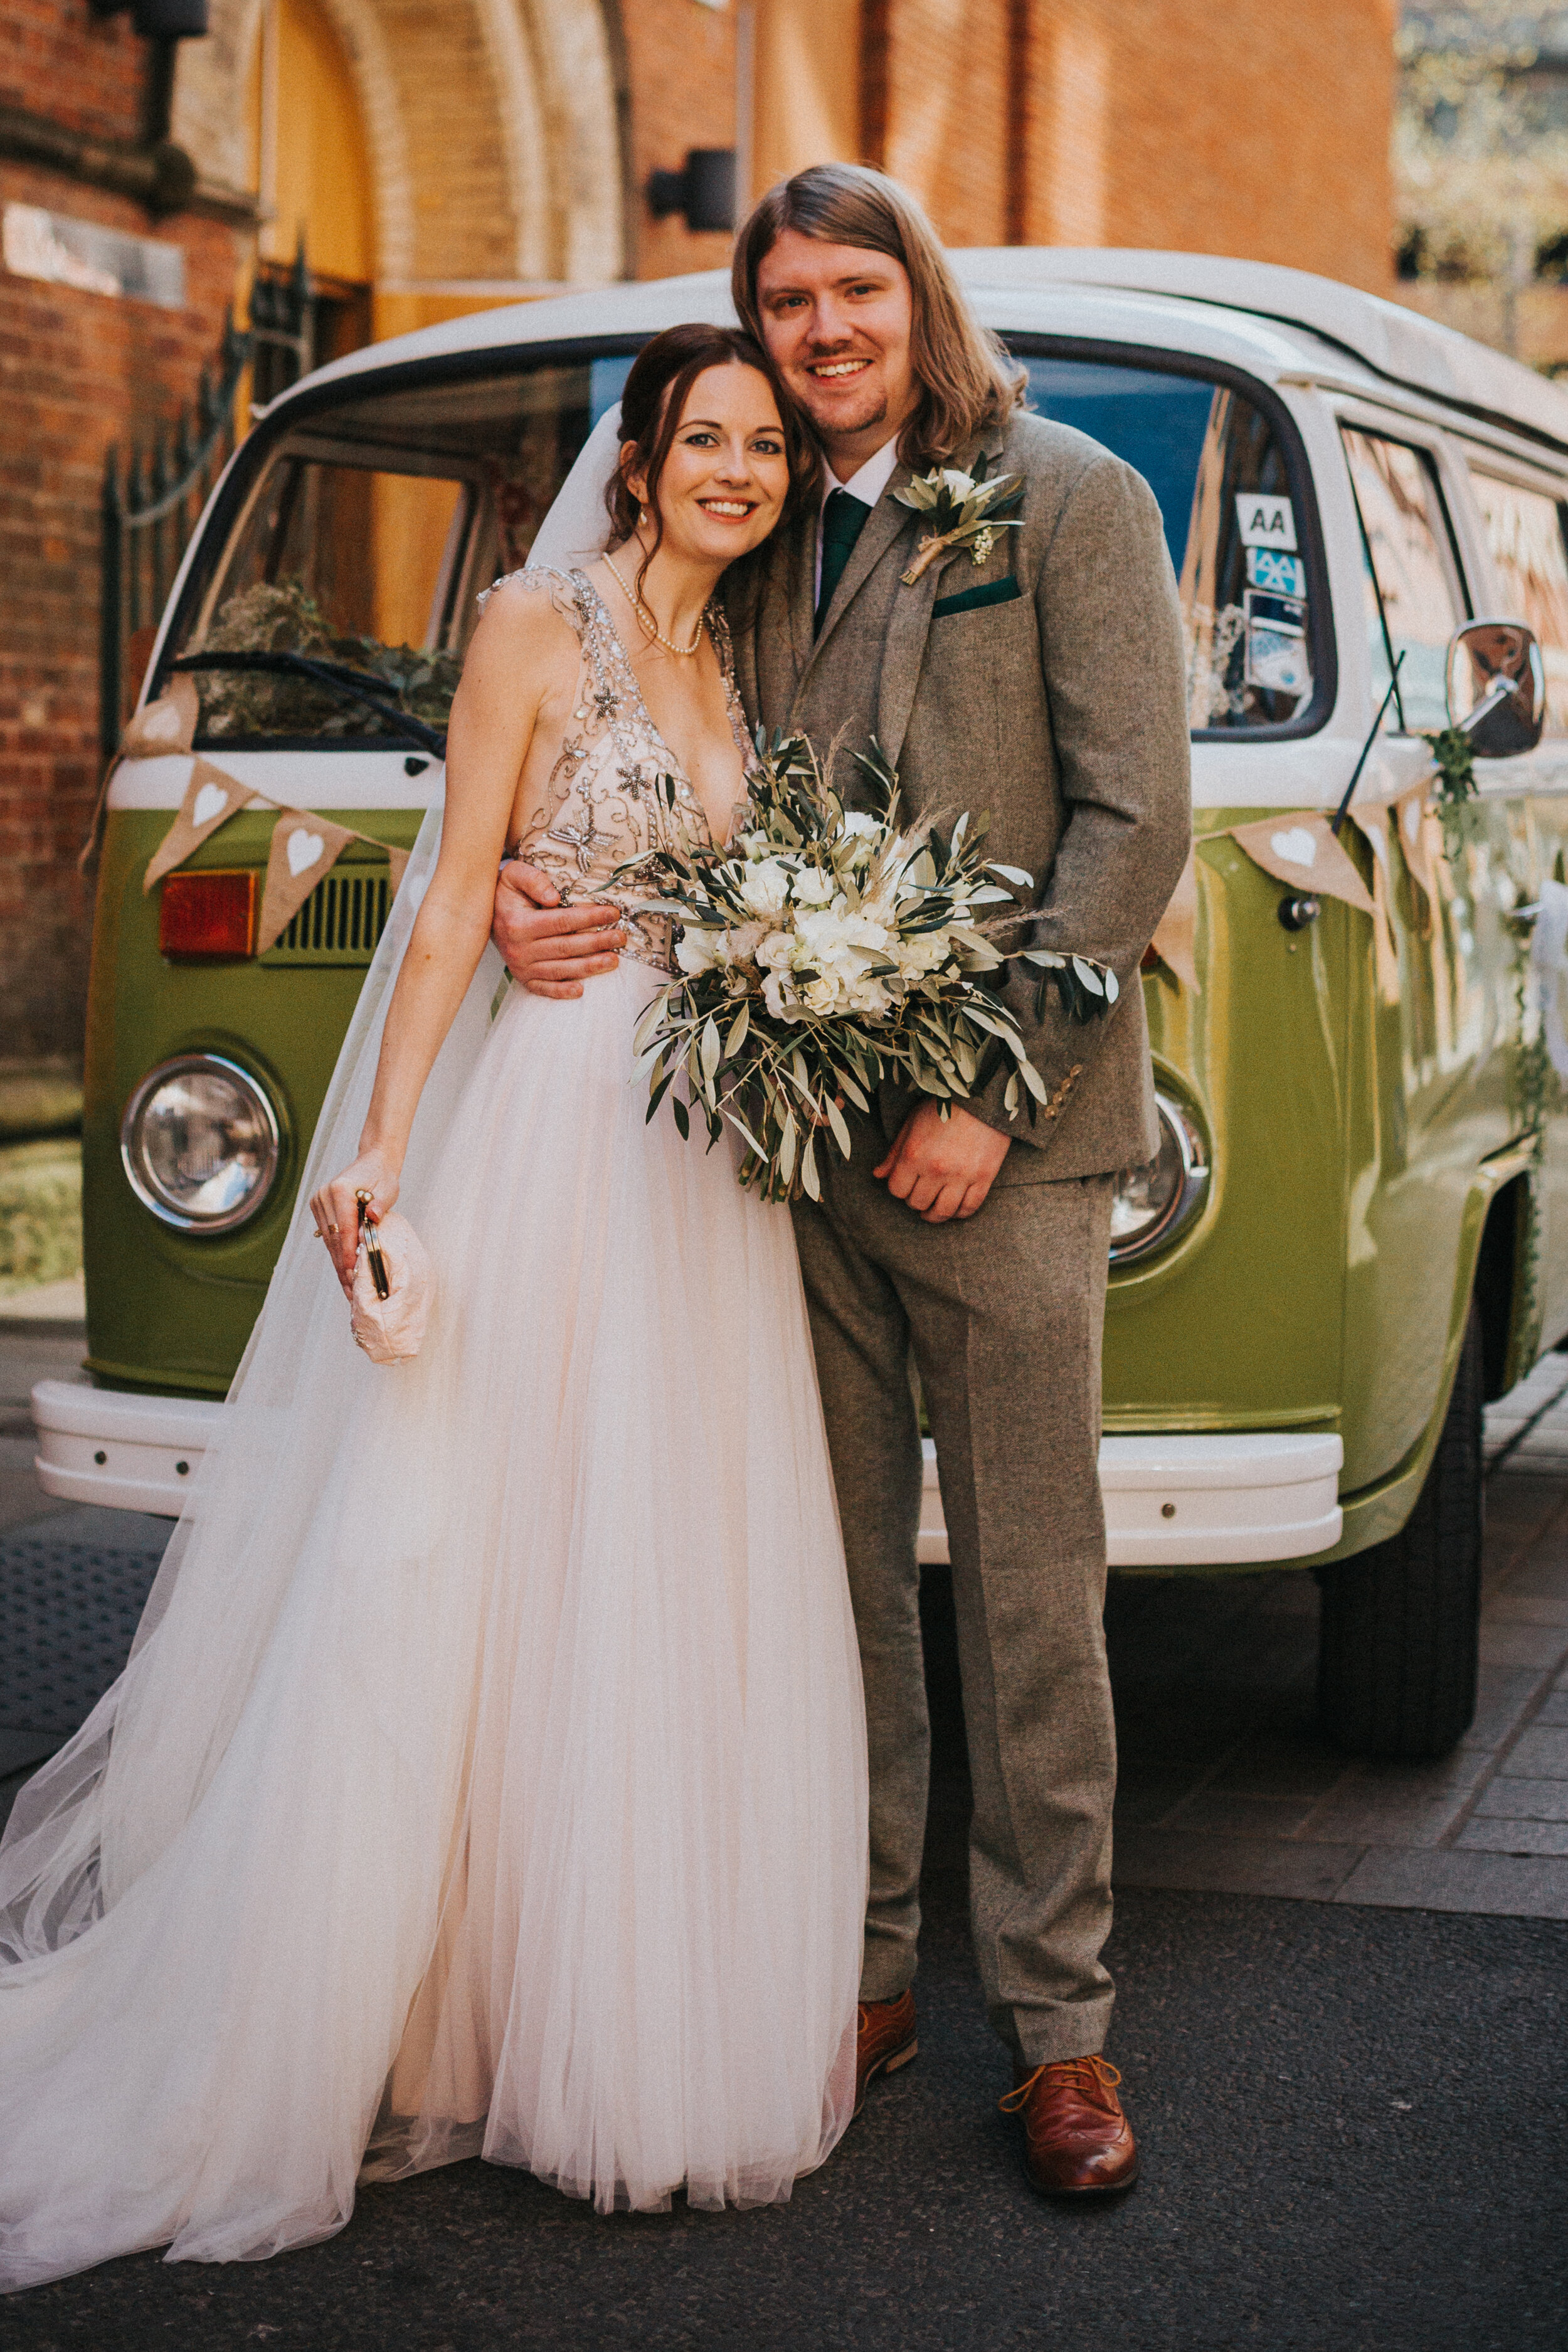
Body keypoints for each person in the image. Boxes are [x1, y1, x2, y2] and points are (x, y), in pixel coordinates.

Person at [0, 325, 867, 2291]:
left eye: (762, 443)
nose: (735, 465)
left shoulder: (746, 656)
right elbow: (459, 885)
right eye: (699, 438)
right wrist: (375, 1145)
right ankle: (400, 2018)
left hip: (704, 1158)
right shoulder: (528, 624)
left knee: (650, 1566)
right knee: (470, 1553)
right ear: (634, 461)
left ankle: (607, 2017)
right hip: (557, 1131)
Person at [492, 166, 1192, 2200]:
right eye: (782, 298)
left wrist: (987, 1086)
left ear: (916, 297)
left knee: (1030, 1604)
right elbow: (633, 749)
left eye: (850, 290)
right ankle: (861, 1971)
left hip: (1011, 1148)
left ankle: (1058, 2034)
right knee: (829, 1591)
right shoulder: (756, 511)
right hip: (778, 1155)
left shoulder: (1062, 497)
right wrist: (549, 896)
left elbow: (1130, 826)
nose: (817, 330)